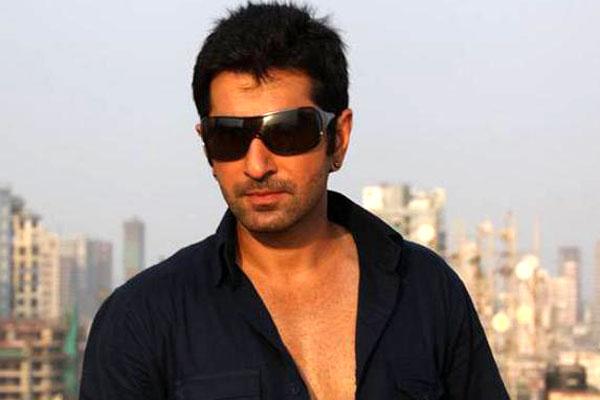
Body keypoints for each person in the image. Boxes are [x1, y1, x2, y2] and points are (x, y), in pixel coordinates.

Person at [79, 3, 509, 399]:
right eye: (228, 136)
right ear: (206, 145)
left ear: (338, 138)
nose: (256, 165)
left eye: (287, 132)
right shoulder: (142, 320)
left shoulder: (426, 290)